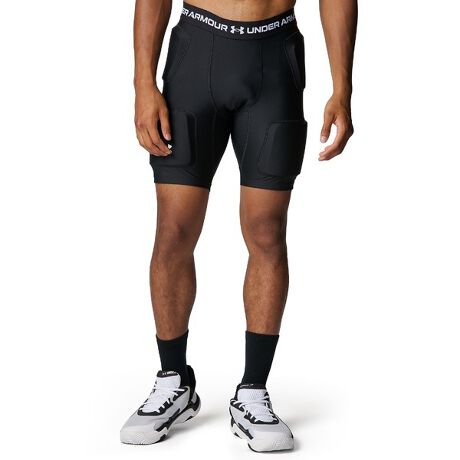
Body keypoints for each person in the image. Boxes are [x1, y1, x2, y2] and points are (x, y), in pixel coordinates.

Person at [120, 0, 356, 452]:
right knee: (174, 230)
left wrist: (342, 88)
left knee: (266, 230)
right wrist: (143, 84)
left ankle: (253, 392)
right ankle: (174, 379)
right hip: (196, 55)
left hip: (274, 57)